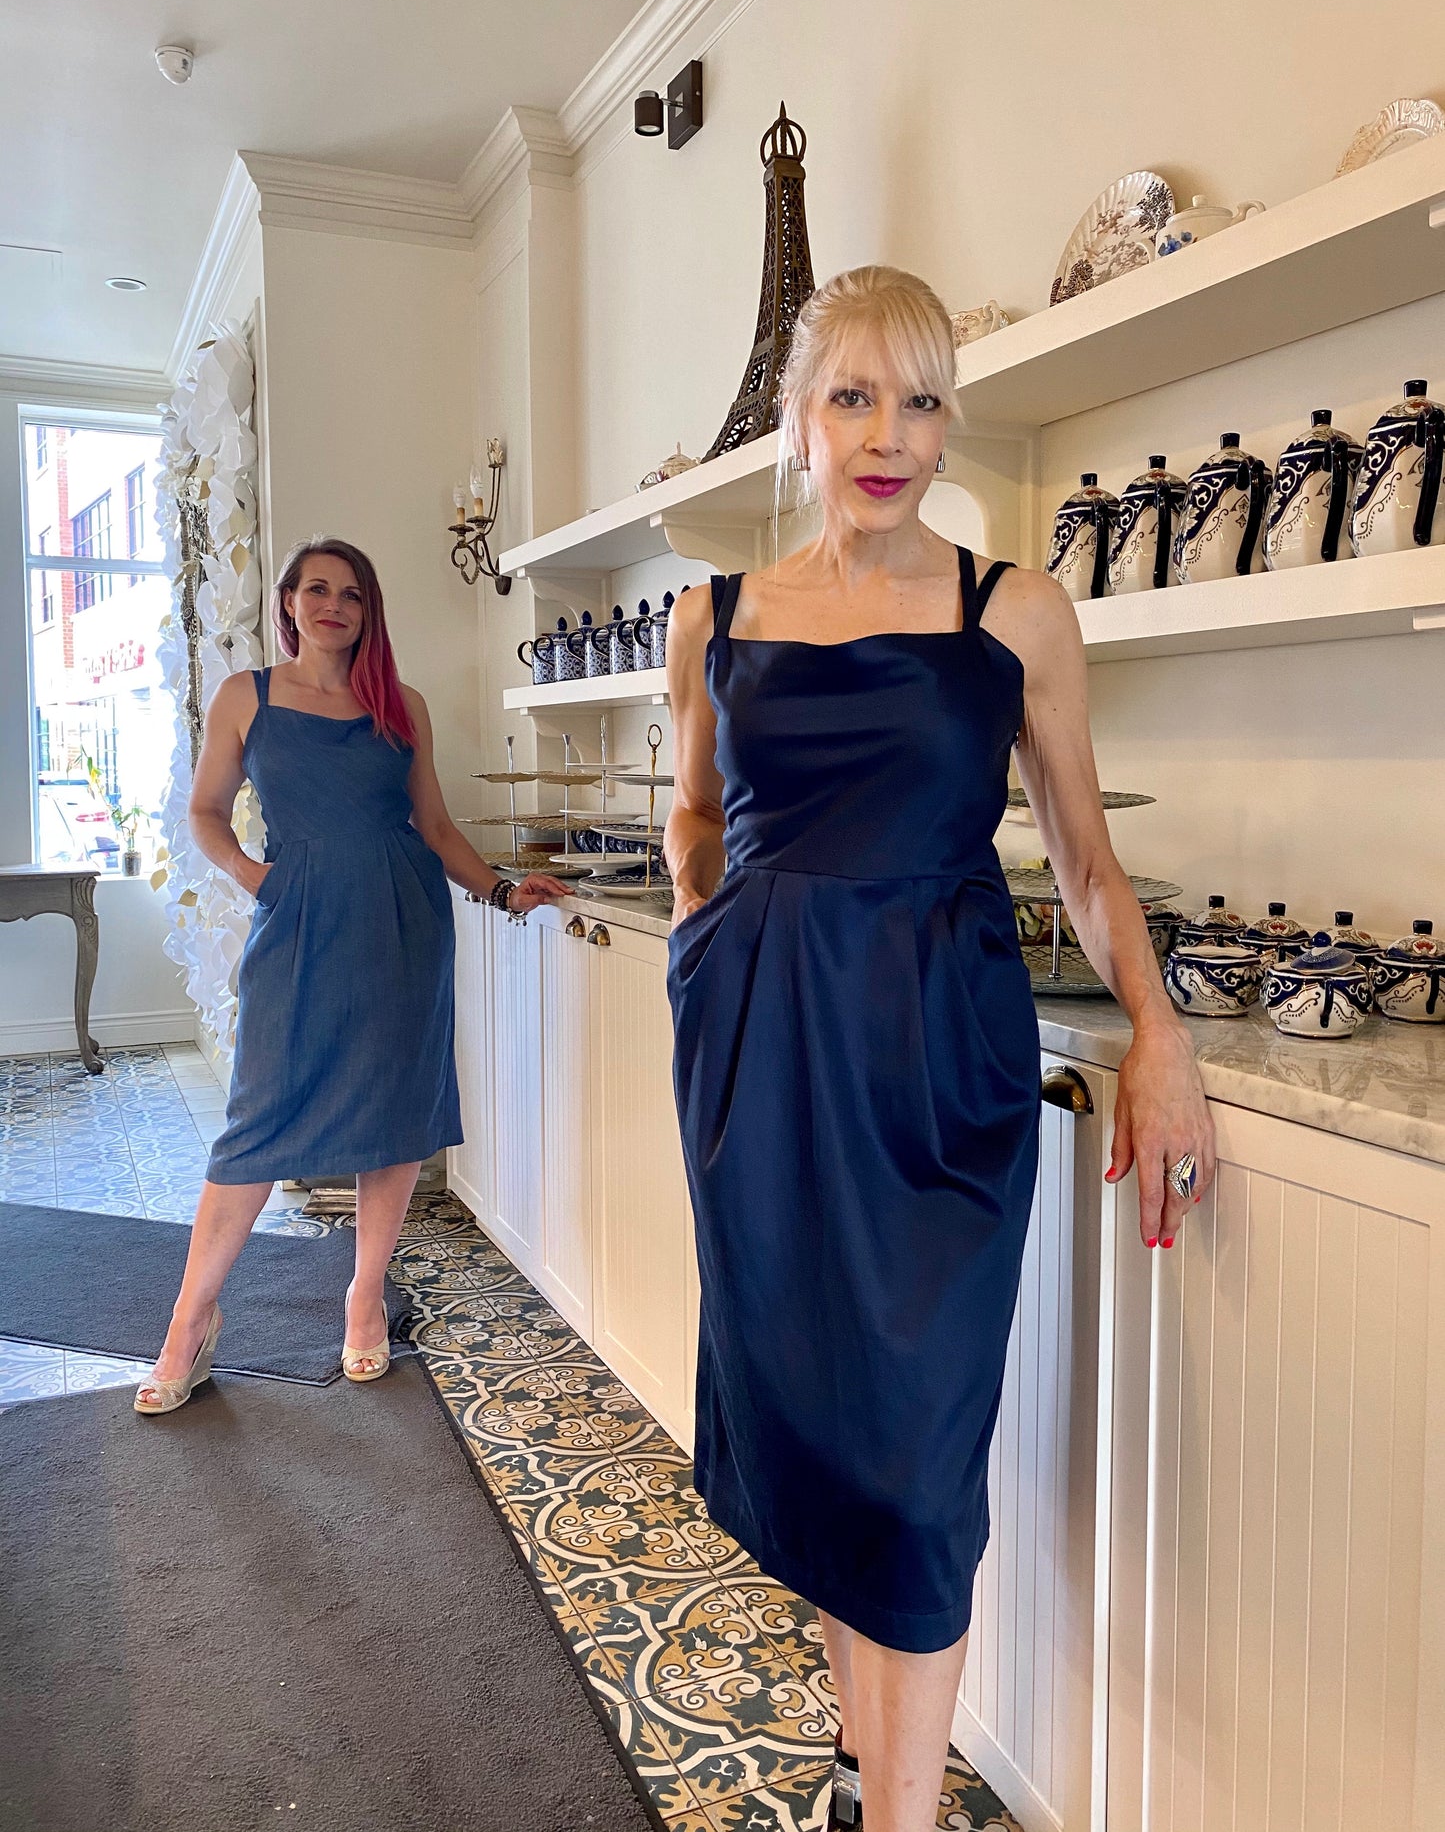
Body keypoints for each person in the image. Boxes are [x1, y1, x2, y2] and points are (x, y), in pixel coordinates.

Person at [663, 266, 1216, 1832]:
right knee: (818, 1430)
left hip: (935, 1060)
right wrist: (711, 964)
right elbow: (694, 820)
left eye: (920, 398)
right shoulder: (711, 618)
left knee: (914, 1447)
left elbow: (1087, 862)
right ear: (799, 418)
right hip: (764, 1067)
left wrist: (1159, 1031)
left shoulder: (1012, 611)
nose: (888, 434)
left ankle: (890, 1810)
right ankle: (865, 1764)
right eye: (853, 395)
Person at [135, 537, 566, 1413]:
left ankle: (364, 1295)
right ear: (288, 602)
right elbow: (205, 813)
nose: (335, 604)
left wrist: (500, 888)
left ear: (368, 611)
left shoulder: (398, 704)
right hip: (297, 930)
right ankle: (190, 1318)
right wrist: (262, 880)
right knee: (257, 1119)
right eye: (318, 589)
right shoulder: (245, 697)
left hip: (403, 927)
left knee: (393, 1114)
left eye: (353, 594)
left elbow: (435, 826)